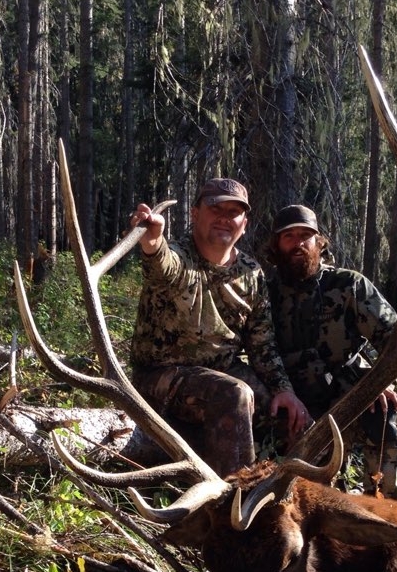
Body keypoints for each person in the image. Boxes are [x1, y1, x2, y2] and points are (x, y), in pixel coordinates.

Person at [128, 179, 311, 477]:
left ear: (245, 223)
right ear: (196, 213)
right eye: (216, 208)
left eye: (234, 212)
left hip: (220, 375)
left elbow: (262, 344)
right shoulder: (179, 256)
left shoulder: (251, 273)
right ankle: (235, 502)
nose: (225, 217)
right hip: (160, 378)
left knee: (292, 419)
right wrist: (152, 241)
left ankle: (292, 493)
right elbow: (161, 265)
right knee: (234, 394)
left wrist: (284, 391)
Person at [264, 204, 397, 498]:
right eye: (288, 236)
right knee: (308, 485)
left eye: (306, 235)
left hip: (349, 391)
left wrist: (382, 383)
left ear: (320, 242)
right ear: (276, 245)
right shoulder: (264, 293)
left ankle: (385, 510)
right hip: (293, 399)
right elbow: (255, 350)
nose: (298, 243)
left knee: (383, 416)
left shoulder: (349, 286)